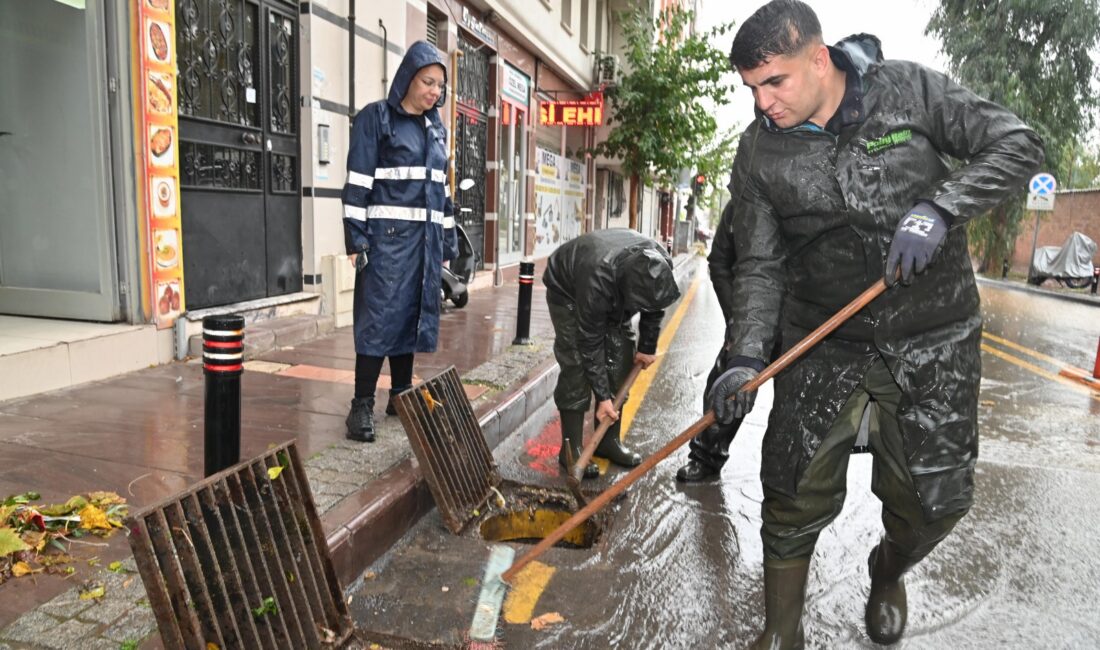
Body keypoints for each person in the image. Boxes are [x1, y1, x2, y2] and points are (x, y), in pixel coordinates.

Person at [710, 2, 1043, 647]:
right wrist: (746, 357)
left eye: (773, 82)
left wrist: (941, 208)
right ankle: (782, 634)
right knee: (789, 494)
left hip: (934, 336)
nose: (762, 103)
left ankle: (888, 570)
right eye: (751, 89)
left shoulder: (911, 91)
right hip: (822, 342)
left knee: (936, 502)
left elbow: (1018, 144)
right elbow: (757, 266)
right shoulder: (757, 153)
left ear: (818, 56)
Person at [341, 41, 458, 443]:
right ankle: (360, 407)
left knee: (410, 315)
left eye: (440, 87)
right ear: (408, 78)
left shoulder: (435, 128)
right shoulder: (376, 119)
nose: (434, 92)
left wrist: (447, 243)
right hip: (384, 243)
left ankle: (401, 395)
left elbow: (441, 190)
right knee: (378, 320)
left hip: (422, 244)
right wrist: (356, 240)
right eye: (428, 82)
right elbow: (357, 183)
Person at [543, 229, 681, 478]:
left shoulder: (659, 263)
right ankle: (570, 449)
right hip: (569, 292)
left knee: (621, 358)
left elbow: (656, 304)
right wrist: (603, 397)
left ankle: (607, 441)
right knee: (575, 365)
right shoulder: (596, 278)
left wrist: (647, 347)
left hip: (611, 293)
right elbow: (590, 341)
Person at [675, 200, 746, 482]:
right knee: (726, 385)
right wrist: (736, 319)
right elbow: (719, 262)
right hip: (749, 314)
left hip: (803, 317)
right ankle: (706, 457)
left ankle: (798, 485)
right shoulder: (739, 207)